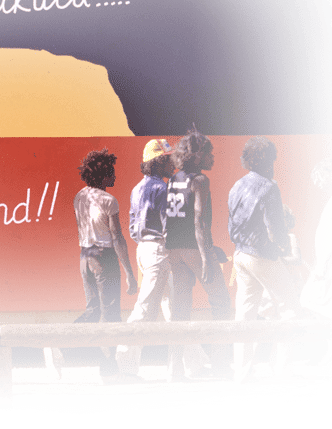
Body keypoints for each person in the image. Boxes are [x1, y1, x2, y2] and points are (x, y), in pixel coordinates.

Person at [115, 139, 211, 379]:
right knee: (146, 310)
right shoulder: (163, 189)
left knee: (173, 310)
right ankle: (124, 367)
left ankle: (196, 363)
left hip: (144, 249)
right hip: (160, 252)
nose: (174, 163)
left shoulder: (138, 188)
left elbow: (133, 226)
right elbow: (170, 227)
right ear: (159, 162)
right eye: (169, 159)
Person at [228, 136, 304, 384]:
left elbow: (233, 224)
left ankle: (242, 373)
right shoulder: (269, 187)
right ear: (268, 160)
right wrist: (281, 247)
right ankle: (282, 369)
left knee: (245, 314)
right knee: (291, 309)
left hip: (240, 254)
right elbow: (277, 229)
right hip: (262, 255)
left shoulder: (236, 186)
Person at [67, 147, 141, 385]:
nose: (115, 177)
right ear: (101, 175)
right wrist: (129, 272)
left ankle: (58, 343)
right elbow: (117, 237)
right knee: (110, 316)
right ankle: (109, 371)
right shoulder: (109, 200)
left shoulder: (79, 196)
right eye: (111, 172)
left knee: (93, 311)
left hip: (84, 257)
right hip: (104, 257)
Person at [165, 130, 233, 383]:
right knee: (221, 302)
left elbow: (170, 219)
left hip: (173, 249)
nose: (213, 157)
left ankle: (175, 370)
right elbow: (199, 220)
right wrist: (206, 255)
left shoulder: (173, 179)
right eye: (209, 153)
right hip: (195, 248)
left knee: (180, 311)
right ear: (198, 155)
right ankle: (221, 366)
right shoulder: (200, 180)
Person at [300, 158, 332, 367]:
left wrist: (325, 261)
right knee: (321, 301)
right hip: (331, 259)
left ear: (329, 175)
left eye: (319, 178)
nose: (317, 184)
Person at [255, 204, 304, 369]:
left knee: (285, 325)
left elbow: (296, 259)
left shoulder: (290, 238)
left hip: (289, 286)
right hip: (271, 288)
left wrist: (279, 257)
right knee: (269, 326)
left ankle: (280, 364)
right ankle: (254, 362)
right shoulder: (265, 240)